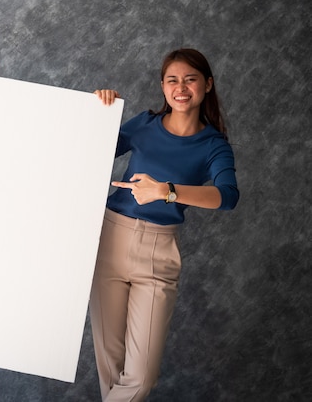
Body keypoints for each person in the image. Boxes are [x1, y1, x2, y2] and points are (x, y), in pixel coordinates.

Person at [89, 48, 239, 401]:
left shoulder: (213, 146)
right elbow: (92, 147)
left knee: (140, 378)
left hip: (158, 254)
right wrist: (99, 111)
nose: (181, 87)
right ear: (163, 86)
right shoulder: (144, 123)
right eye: (172, 80)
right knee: (111, 370)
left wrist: (166, 191)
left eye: (190, 79)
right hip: (110, 238)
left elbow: (228, 196)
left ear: (207, 85)